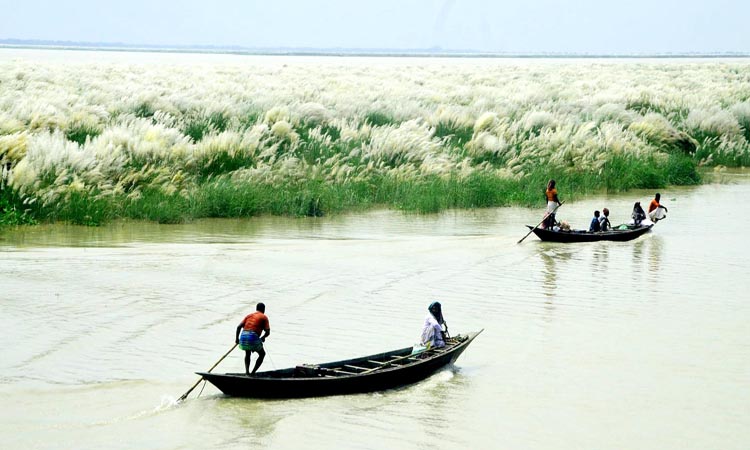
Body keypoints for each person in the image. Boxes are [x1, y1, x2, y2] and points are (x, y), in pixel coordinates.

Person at [235, 302, 271, 376]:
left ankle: (247, 372)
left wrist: (237, 339)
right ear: (263, 309)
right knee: (262, 354)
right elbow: (267, 332)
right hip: (252, 336)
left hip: (243, 335)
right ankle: (253, 373)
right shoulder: (264, 317)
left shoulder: (249, 315)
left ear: (256, 309)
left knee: (247, 354)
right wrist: (263, 337)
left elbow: (238, 327)